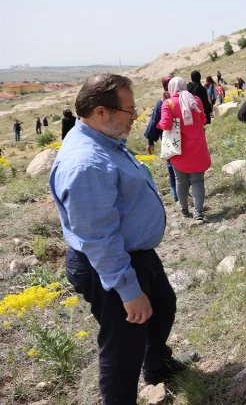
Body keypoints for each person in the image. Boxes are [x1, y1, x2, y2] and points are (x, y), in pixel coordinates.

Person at [50, 74, 187, 403]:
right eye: (129, 110)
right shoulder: (86, 164)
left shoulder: (104, 141)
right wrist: (127, 289)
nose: (135, 116)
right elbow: (98, 238)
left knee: (162, 307)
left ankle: (156, 367)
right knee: (123, 347)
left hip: (134, 254)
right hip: (109, 264)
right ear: (101, 112)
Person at [157, 77, 211, 224]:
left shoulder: (168, 104)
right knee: (198, 180)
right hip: (197, 147)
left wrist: (159, 124)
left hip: (178, 149)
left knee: (180, 180)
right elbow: (203, 119)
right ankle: (198, 212)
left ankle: (184, 209)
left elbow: (166, 124)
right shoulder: (196, 100)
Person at [143, 75, 178, 202]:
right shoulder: (179, 99)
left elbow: (154, 121)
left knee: (172, 164)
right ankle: (178, 191)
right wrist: (150, 141)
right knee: (176, 164)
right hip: (176, 138)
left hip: (168, 138)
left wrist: (150, 141)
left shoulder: (162, 101)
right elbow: (155, 120)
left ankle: (176, 192)